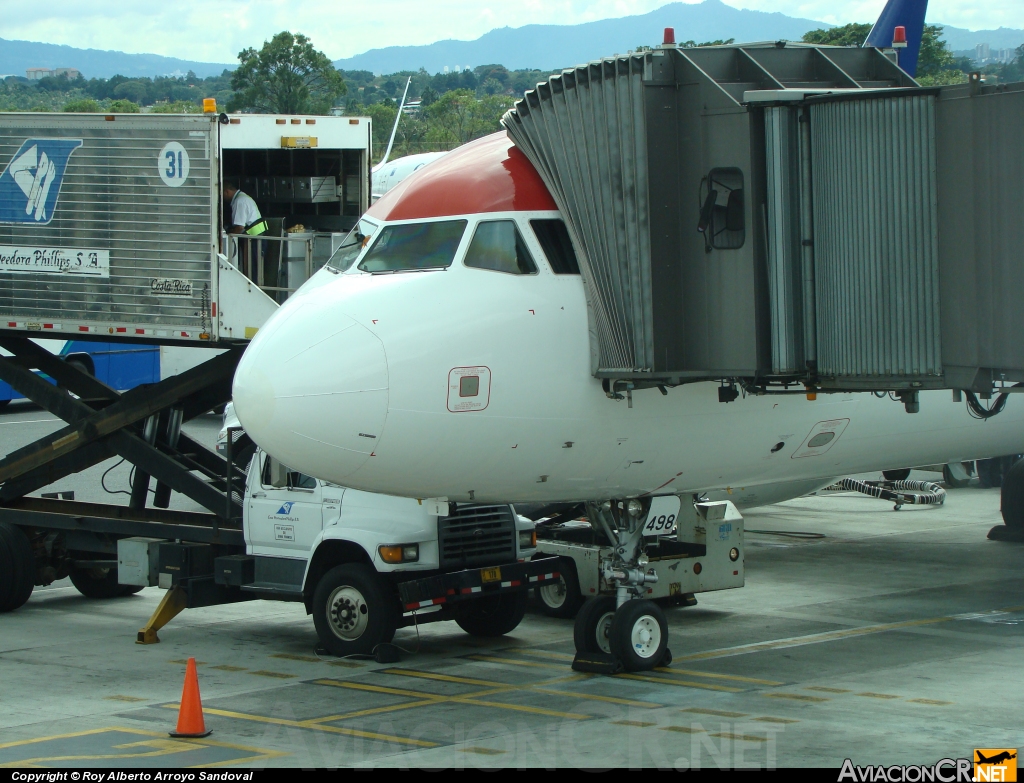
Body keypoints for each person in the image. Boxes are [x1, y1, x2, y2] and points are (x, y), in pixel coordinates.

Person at [222, 179, 268, 276]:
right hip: (256, 238)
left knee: (252, 271)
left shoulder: (240, 202)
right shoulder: (243, 197)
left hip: (254, 241)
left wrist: (228, 237)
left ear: (227, 192)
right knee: (254, 270)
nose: (223, 198)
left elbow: (239, 227)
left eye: (222, 195)